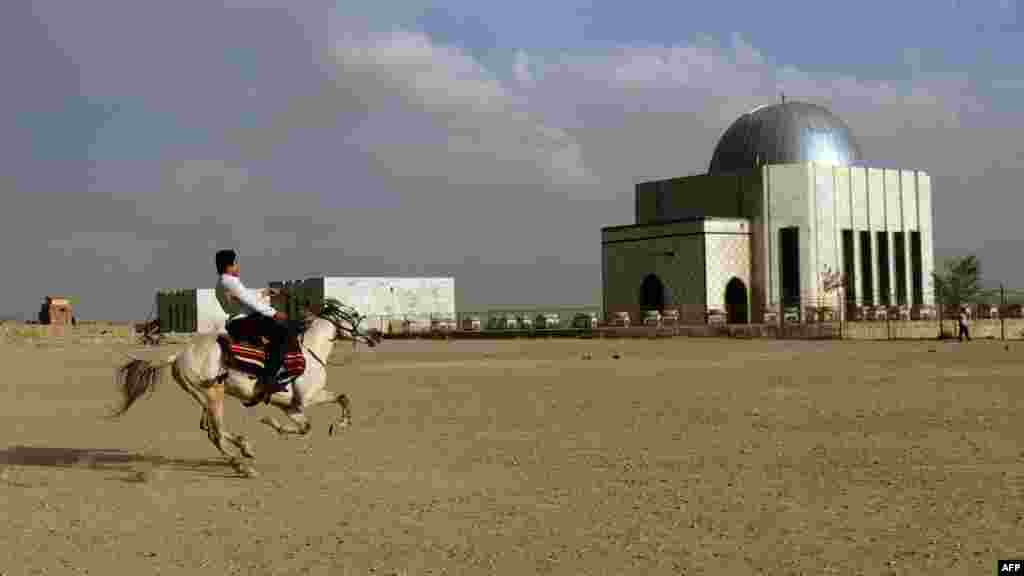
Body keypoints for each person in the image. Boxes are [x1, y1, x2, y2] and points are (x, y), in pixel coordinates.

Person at [214, 249, 289, 406]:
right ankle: (269, 379)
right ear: (229, 266)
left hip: (237, 322)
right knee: (282, 333)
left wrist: (267, 292)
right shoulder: (230, 281)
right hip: (245, 321)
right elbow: (249, 300)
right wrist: (273, 313)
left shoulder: (221, 282)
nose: (237, 267)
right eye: (235, 263)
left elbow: (245, 296)